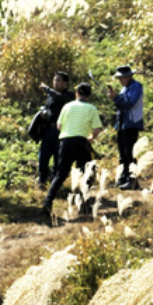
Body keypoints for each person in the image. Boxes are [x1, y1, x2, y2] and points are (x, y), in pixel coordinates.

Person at [43, 82, 102, 218]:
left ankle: (48, 201)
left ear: (76, 94)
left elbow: (58, 126)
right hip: (81, 142)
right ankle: (84, 204)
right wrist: (91, 138)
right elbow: (97, 129)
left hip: (65, 142)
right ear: (89, 95)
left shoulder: (67, 106)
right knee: (86, 173)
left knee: (60, 174)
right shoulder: (91, 108)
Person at [107, 65, 144, 190]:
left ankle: (132, 180)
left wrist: (116, 98)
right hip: (122, 124)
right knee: (123, 153)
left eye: (122, 77)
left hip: (131, 123)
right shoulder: (124, 88)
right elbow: (121, 104)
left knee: (130, 152)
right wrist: (115, 98)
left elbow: (130, 103)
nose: (120, 80)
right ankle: (123, 177)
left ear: (129, 76)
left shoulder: (136, 86)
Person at [37, 71, 75, 188]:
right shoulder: (50, 96)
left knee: (58, 159)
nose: (56, 83)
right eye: (54, 80)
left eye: (58, 80)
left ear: (65, 83)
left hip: (62, 131)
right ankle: (42, 180)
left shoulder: (69, 95)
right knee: (43, 156)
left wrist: (47, 88)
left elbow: (60, 98)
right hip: (49, 130)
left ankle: (55, 183)